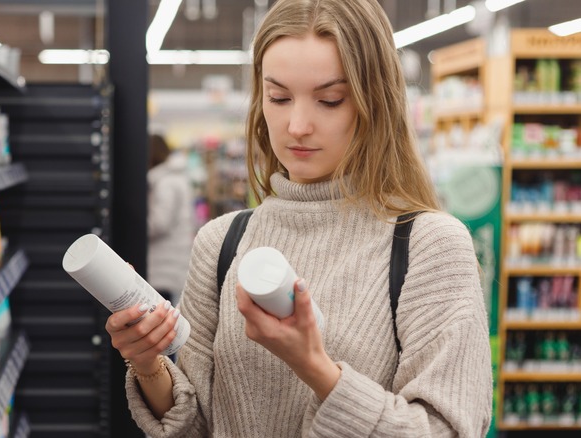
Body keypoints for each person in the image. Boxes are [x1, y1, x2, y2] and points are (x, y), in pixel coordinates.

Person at [106, 0, 493, 436]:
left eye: (330, 100)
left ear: (374, 104)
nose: (297, 125)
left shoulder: (429, 246)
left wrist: (315, 368)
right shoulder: (220, 243)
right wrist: (147, 363)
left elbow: (449, 429)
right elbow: (196, 426)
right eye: (279, 97)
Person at [147, 134, 195, 306]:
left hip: (163, 267)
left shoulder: (165, 183)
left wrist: (134, 227)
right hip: (170, 263)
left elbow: (159, 223)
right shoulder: (172, 179)